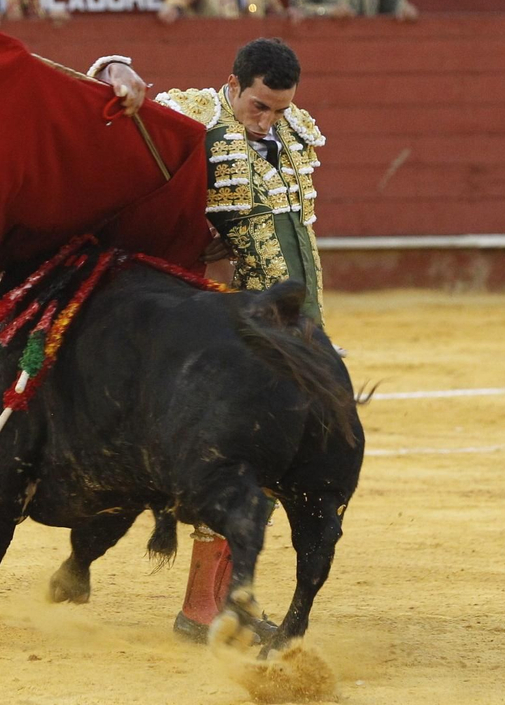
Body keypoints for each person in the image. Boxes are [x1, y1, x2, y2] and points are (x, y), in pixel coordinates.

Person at [91, 36, 328, 639]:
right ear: (232, 84)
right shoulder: (198, 112)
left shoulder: (294, 130)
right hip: (228, 332)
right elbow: (115, 100)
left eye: (278, 107)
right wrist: (120, 66)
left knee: (273, 466)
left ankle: (228, 599)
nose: (268, 118)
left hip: (296, 331)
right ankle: (204, 608)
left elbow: (294, 231)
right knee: (233, 462)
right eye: (258, 105)